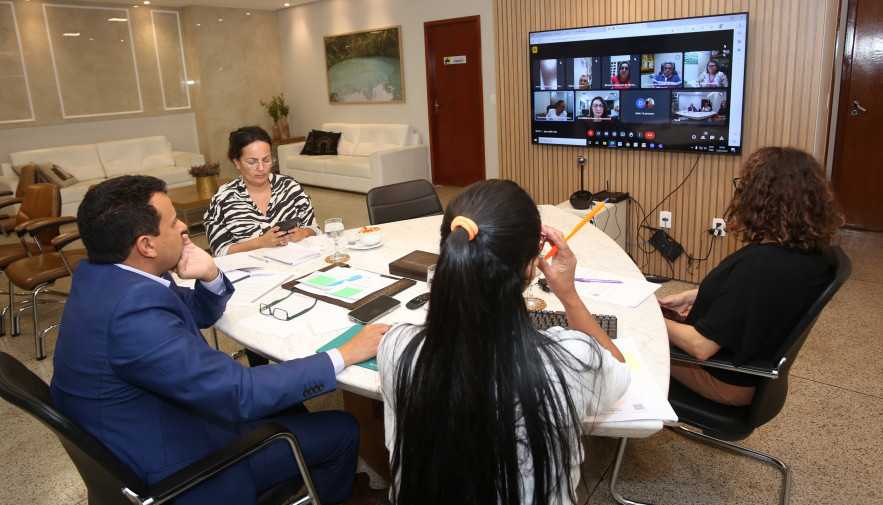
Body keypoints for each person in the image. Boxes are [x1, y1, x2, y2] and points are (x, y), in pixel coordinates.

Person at [50, 175, 390, 505]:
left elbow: (194, 313)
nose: (184, 227)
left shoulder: (106, 278)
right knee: (342, 427)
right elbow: (241, 393)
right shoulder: (132, 312)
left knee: (291, 404)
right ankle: (341, 496)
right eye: (172, 223)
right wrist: (343, 354)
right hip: (185, 466)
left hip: (146, 426)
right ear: (146, 245)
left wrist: (211, 275)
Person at [378, 179, 630, 505]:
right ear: (531, 269)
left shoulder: (396, 347)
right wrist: (567, 293)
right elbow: (619, 369)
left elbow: (441, 331)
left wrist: (451, 282)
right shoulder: (573, 358)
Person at [658, 147, 843, 407]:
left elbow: (701, 347)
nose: (739, 191)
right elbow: (749, 297)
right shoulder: (801, 249)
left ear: (761, 197)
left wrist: (649, 318)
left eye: (743, 185)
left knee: (612, 335)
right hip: (739, 363)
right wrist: (693, 295)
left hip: (722, 378)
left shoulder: (764, 265)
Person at [204, 126, 320, 256]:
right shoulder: (223, 198)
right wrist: (260, 243)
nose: (261, 168)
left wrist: (303, 233)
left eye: (266, 160)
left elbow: (314, 229)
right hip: (250, 270)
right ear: (237, 162)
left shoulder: (289, 186)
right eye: (252, 162)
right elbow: (220, 251)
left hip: (296, 263)